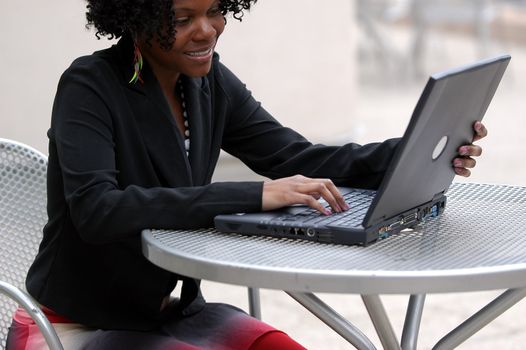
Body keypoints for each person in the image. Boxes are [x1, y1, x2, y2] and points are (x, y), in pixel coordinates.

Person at [7, 0, 487, 349]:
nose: (206, 31)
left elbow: (295, 156)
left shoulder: (210, 82)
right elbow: (98, 210)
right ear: (136, 17)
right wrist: (253, 194)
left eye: (215, 10)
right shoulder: (90, 86)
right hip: (75, 325)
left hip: (171, 314)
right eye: (180, 19)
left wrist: (413, 151)